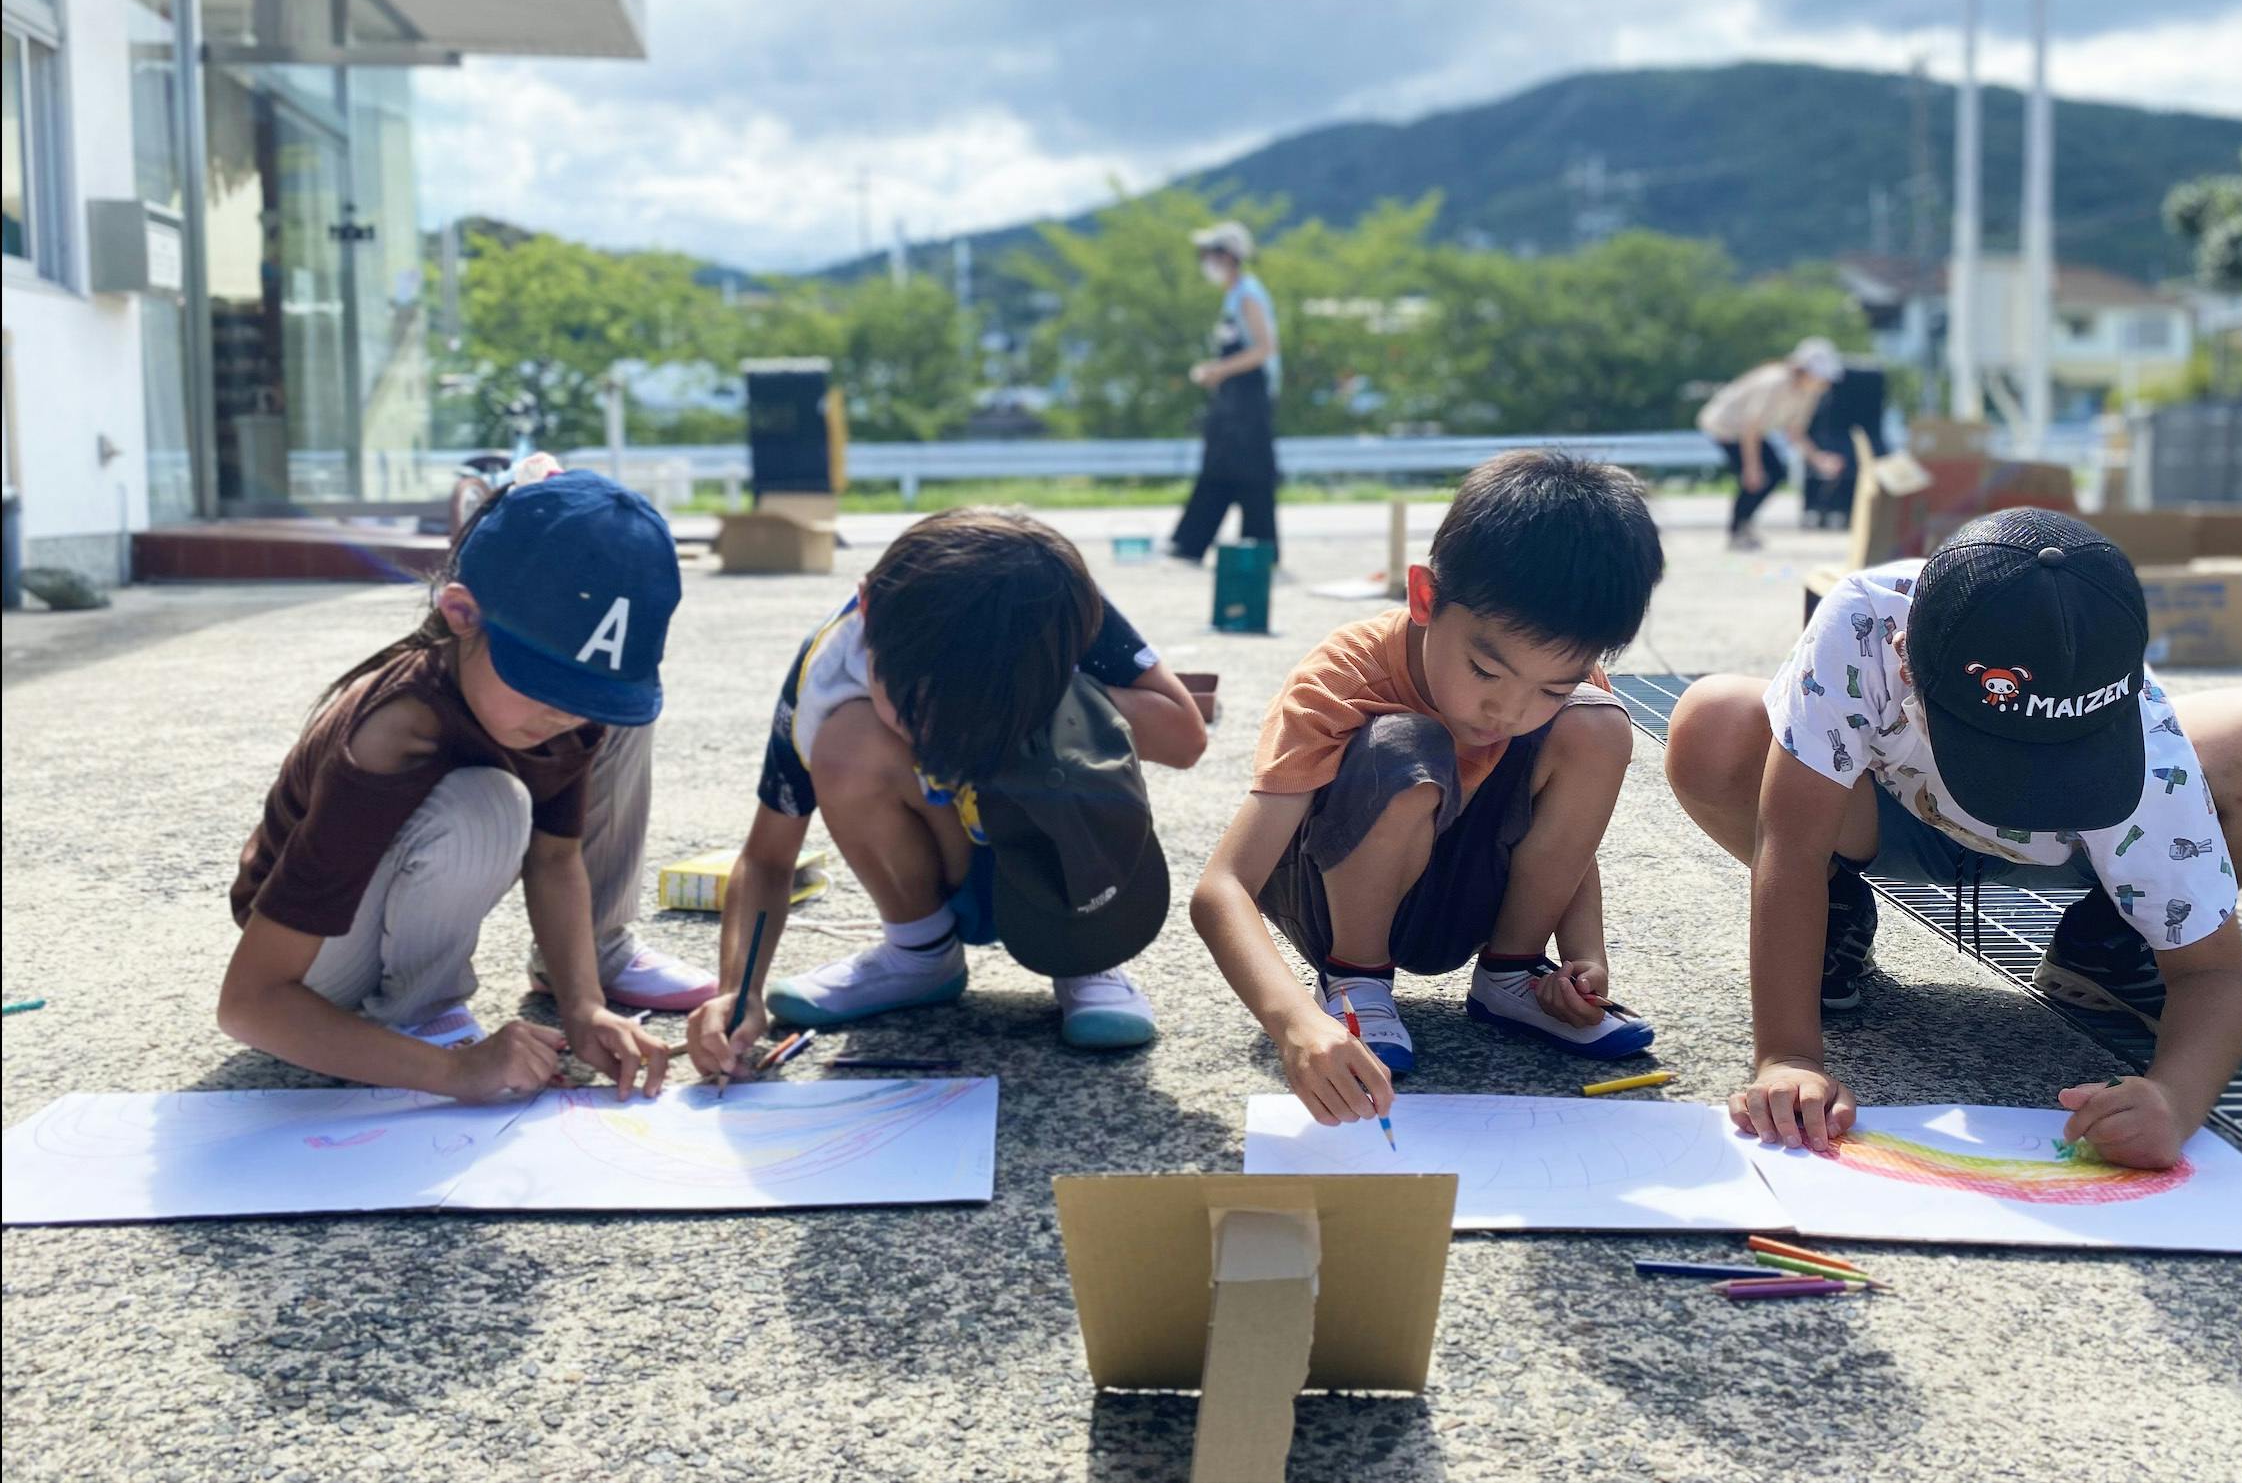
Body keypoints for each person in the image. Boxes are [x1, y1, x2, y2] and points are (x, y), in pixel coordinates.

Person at [1663, 508, 2242, 1169]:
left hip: (2079, 852)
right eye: (2001, 756)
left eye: (2059, 762)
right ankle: (1835, 907)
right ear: (1907, 661)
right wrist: (1788, 1057)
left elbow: (2217, 975)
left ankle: (2113, 941)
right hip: (1888, 816)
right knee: (1713, 724)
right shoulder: (1867, 622)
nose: (2024, 788)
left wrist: (2174, 1099)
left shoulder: (2150, 755)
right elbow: (1791, 844)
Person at [1190, 451, 1666, 1127]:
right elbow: (1222, 887)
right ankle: (1355, 983)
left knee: (1598, 725)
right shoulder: (1343, 677)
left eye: (1550, 687)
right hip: (1337, 901)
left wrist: (1585, 959)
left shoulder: (1565, 692)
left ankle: (1511, 975)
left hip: (1467, 902)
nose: (1508, 711)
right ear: (1424, 597)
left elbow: (1565, 836)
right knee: (1405, 747)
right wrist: (1293, 1023)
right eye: (1485, 671)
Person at [217, 469, 709, 1104]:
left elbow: (556, 858)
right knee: (489, 804)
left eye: (589, 695)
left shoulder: (564, 710)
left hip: (368, 931)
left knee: (524, 781)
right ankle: (423, 1017)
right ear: (461, 614)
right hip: (314, 968)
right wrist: (453, 1072)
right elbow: (250, 1003)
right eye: (545, 684)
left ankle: (427, 1011)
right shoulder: (393, 733)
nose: (567, 713)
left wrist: (584, 1007)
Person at [683, 508, 1209, 1074]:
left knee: (1067, 718)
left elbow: (1184, 739)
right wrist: (737, 989)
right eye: (913, 711)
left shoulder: (1051, 604)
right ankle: (920, 953)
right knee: (847, 740)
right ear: (867, 607)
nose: (933, 737)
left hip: (1062, 867)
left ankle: (1084, 951)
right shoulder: (832, 662)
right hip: (943, 858)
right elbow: (767, 857)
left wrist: (1051, 698)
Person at [1169, 219, 1281, 565]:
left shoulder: (1248, 294)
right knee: (1223, 467)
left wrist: (1218, 370)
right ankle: (1193, 542)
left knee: (1248, 471)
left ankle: (1257, 548)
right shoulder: (1234, 296)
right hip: (1234, 399)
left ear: (1229, 256)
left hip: (1249, 400)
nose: (1205, 261)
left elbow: (1264, 348)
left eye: (1210, 253)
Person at [1695, 336, 1850, 550]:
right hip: (1725, 426)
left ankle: (1744, 525)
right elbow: (1750, 426)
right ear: (1804, 370)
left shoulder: (1809, 392)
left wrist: (1818, 459)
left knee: (1775, 473)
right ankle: (1737, 531)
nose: (1825, 384)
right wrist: (1752, 467)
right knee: (1754, 478)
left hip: (1751, 431)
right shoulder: (1774, 382)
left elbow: (1794, 431)